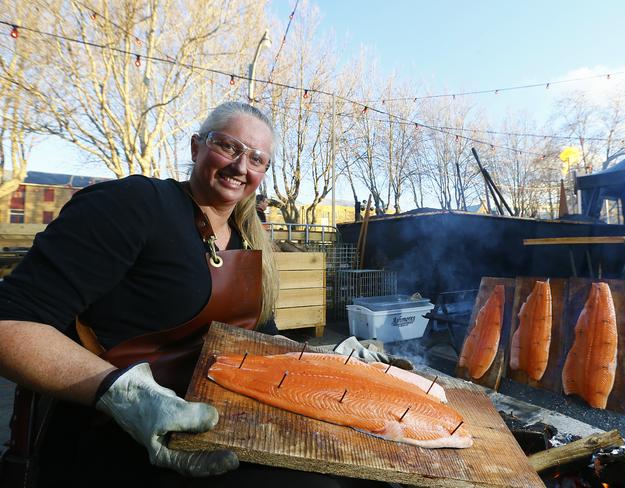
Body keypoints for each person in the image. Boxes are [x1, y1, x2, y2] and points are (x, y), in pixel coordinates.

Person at [0, 102, 390, 488]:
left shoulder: (246, 240)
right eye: (228, 147)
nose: (241, 167)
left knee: (360, 472)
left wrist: (329, 362)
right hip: (119, 435)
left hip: (223, 421)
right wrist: (124, 395)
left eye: (257, 159)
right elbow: (10, 323)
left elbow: (259, 340)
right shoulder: (136, 204)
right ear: (195, 148)